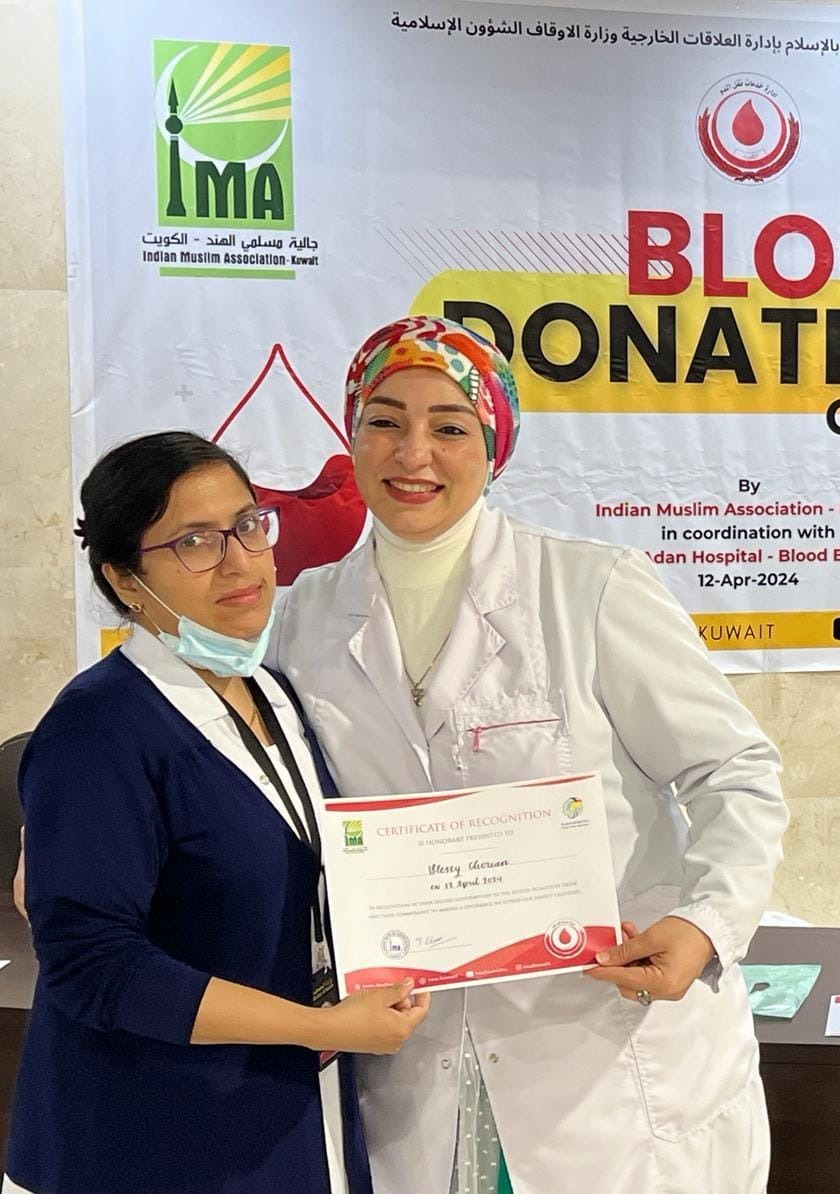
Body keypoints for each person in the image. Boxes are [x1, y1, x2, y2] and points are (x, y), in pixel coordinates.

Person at [271, 316, 790, 1194]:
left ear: (493, 446)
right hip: (415, 1058)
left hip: (605, 1045)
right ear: (351, 436)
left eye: (449, 427)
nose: (413, 454)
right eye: (384, 421)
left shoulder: (588, 587)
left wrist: (705, 922)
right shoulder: (304, 613)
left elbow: (731, 770)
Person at [4, 432, 429, 1194]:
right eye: (193, 542)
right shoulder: (97, 730)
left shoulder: (275, 693)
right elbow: (93, 965)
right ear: (125, 579)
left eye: (248, 525)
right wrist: (317, 1027)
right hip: (151, 1139)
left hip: (283, 1116)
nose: (239, 561)